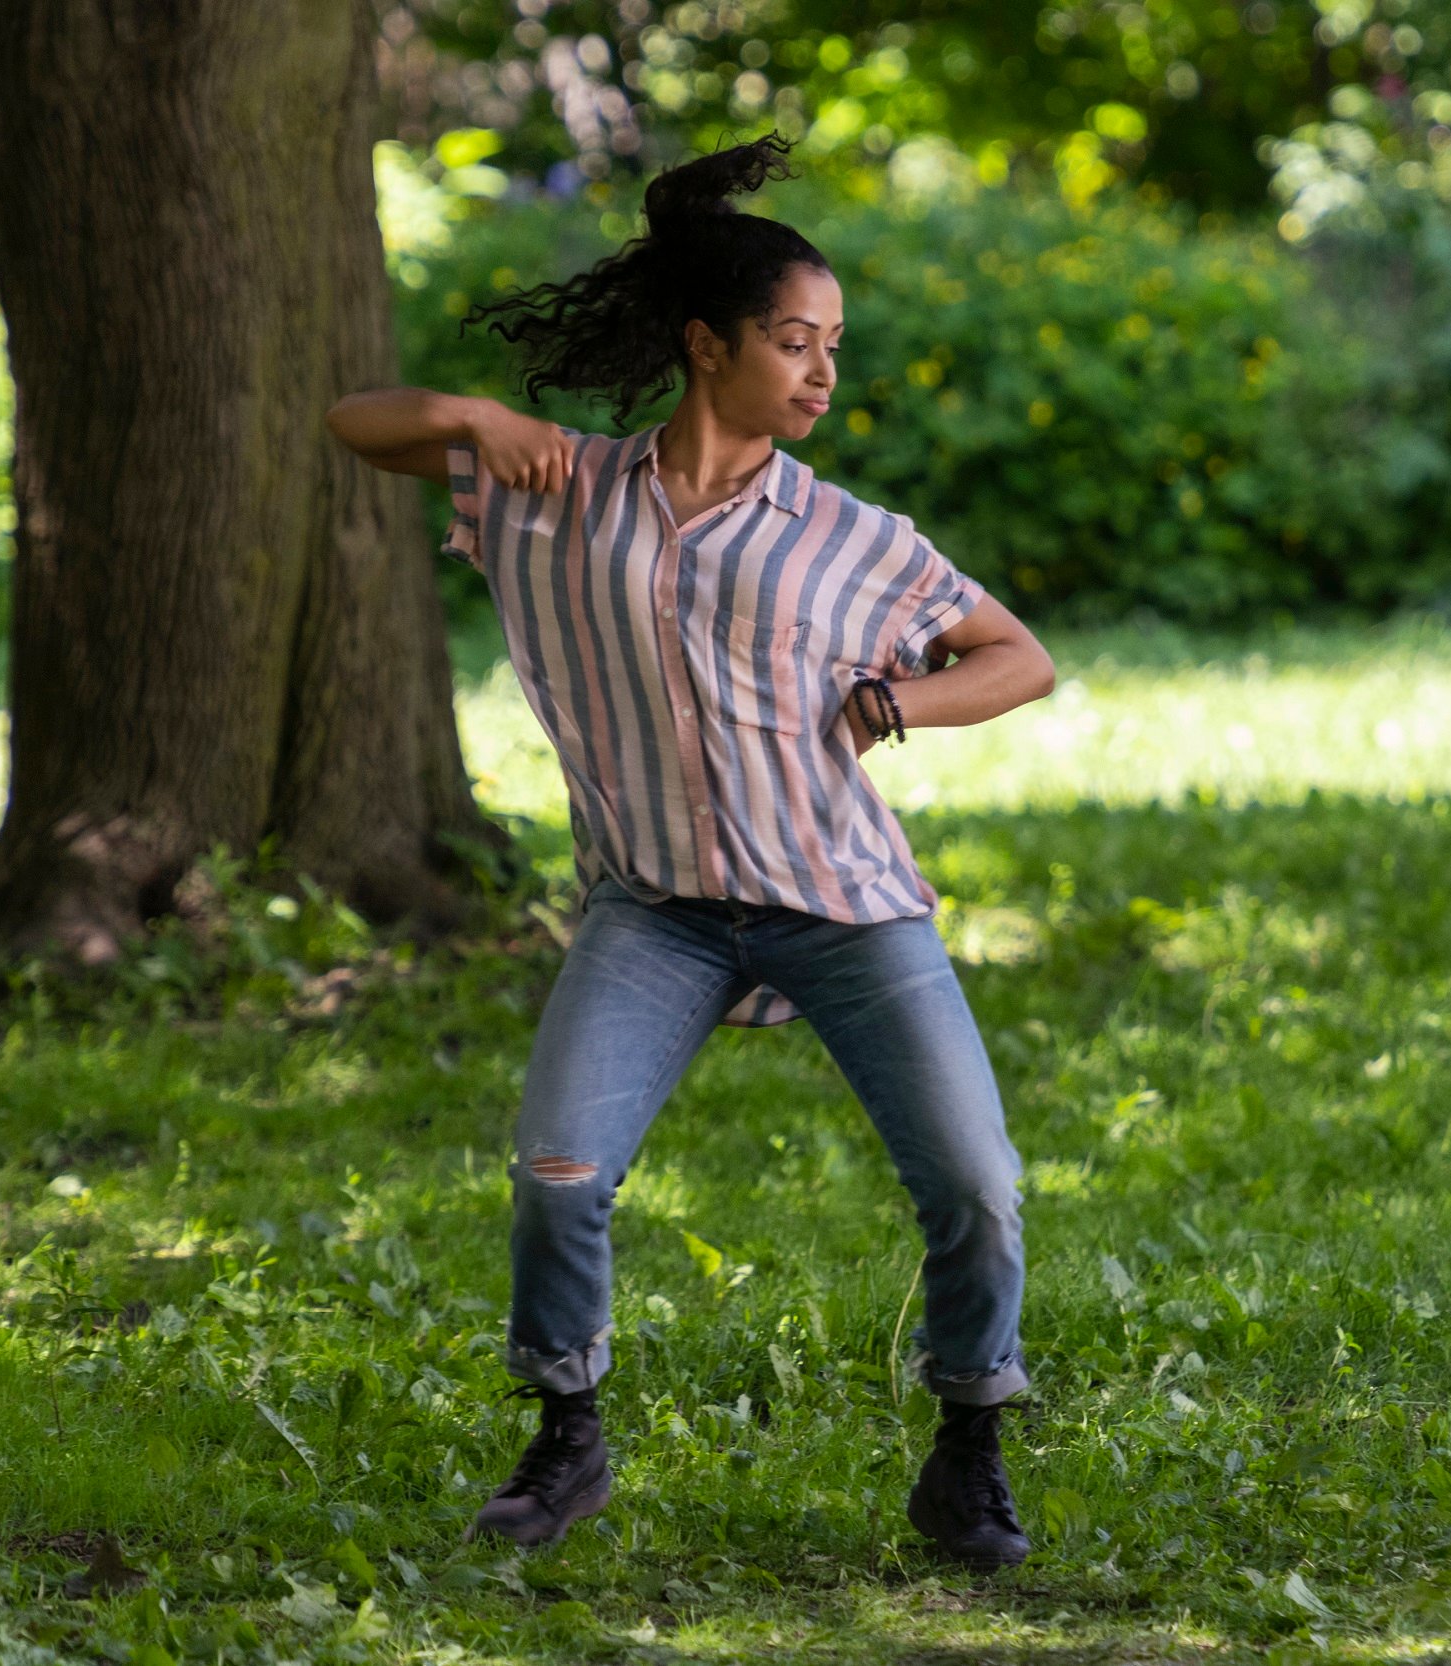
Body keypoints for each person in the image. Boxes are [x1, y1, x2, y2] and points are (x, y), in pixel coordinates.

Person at [325, 135, 1055, 1568]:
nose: (823, 372)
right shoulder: (554, 493)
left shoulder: (851, 538)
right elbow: (358, 421)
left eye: (834, 346)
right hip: (653, 909)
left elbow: (1017, 656)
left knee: (976, 1184)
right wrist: (473, 411)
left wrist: (905, 697)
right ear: (705, 344)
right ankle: (567, 1435)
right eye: (795, 341)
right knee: (555, 1169)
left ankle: (967, 1448)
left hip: (843, 905)